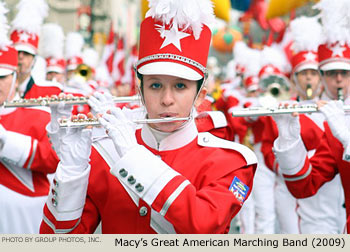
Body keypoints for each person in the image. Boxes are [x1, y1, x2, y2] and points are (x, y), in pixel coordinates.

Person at [40, 0, 257, 234]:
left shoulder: (231, 162)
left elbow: (203, 225)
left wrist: (133, 156)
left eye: (181, 86)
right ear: (140, 90)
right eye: (155, 85)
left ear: (199, 95)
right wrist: (72, 172)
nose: (166, 99)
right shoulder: (104, 156)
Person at [272, 0, 350, 233]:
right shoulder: (333, 127)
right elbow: (305, 185)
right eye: (331, 73)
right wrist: (289, 144)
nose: (338, 80)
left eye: (345, 73)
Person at [0, 2, 59, 233]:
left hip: (24, 216)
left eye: (3, 77)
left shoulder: (38, 111)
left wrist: (6, 141)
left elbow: (52, 159)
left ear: (14, 76)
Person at [10, 0, 62, 99]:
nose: (20, 57)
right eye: (17, 52)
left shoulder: (50, 92)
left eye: (26, 53)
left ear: (34, 59)